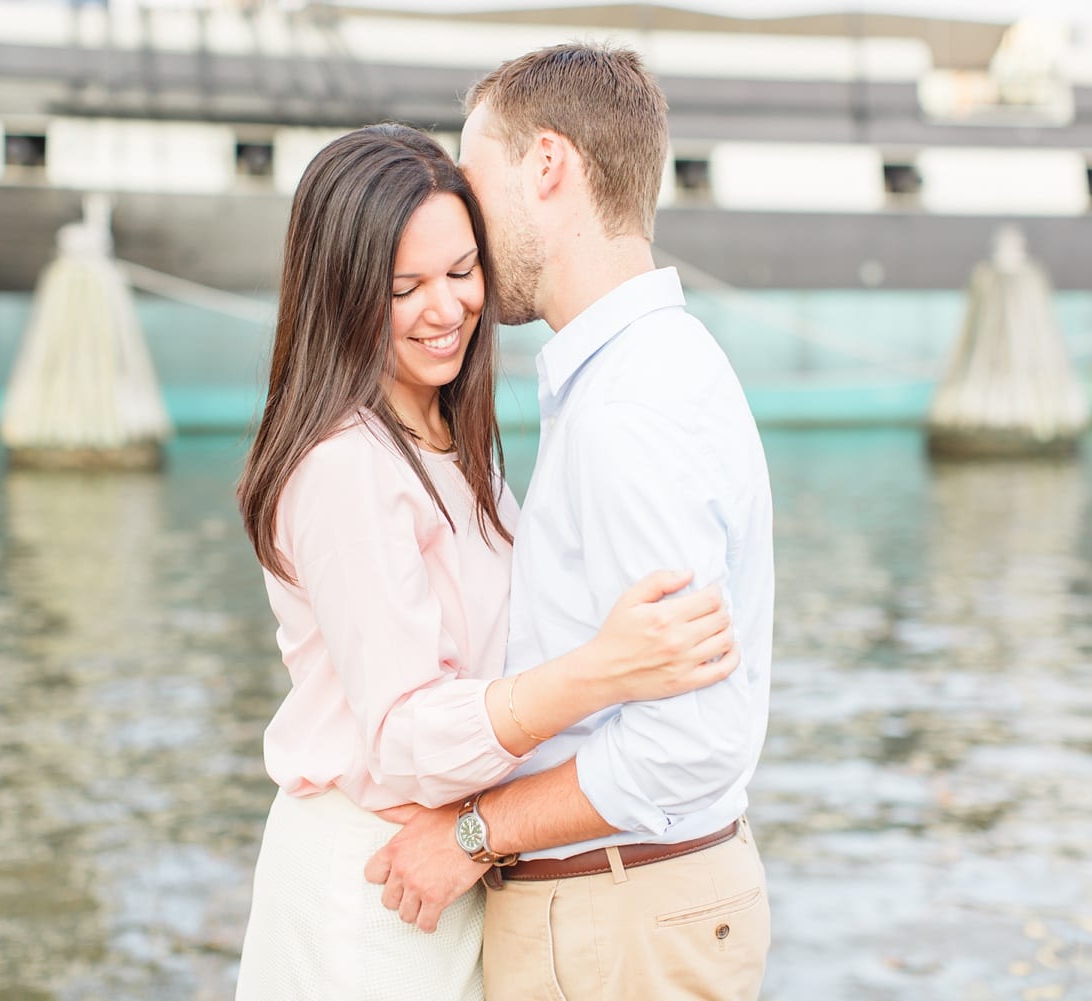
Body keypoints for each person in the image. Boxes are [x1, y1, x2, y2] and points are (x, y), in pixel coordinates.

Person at [232, 123, 739, 1000]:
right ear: (342, 292)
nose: (447, 309)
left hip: (450, 869)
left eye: (463, 272)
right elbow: (402, 736)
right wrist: (600, 672)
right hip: (373, 879)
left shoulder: (449, 437)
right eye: (405, 286)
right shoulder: (345, 463)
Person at [364, 45, 775, 1000]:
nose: (459, 214)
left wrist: (474, 834)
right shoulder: (649, 371)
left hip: (617, 922)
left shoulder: (630, 406)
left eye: (472, 177)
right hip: (629, 910)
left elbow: (690, 738)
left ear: (547, 164)